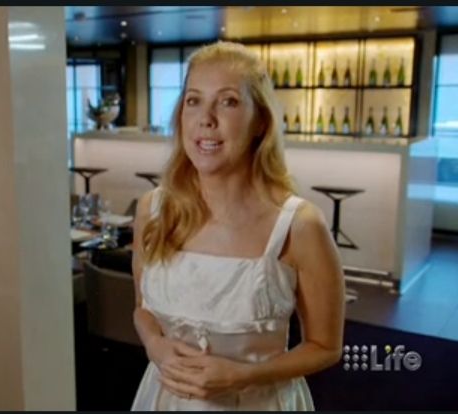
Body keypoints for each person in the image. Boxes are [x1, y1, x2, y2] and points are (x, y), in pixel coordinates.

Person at [130, 41, 345, 411]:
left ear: (260, 121)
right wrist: (154, 345)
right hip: (165, 399)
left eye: (227, 101)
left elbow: (326, 347)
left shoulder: (299, 225)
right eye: (193, 100)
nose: (206, 118)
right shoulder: (153, 209)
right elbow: (142, 309)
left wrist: (244, 376)